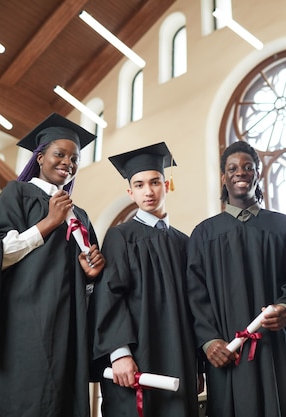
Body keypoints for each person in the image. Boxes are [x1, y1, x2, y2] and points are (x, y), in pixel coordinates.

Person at [0, 113, 105, 417]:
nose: (68, 162)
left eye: (75, 157)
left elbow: (86, 279)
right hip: (22, 324)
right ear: (40, 157)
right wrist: (48, 223)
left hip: (67, 328)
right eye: (59, 154)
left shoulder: (79, 214)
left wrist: (92, 274)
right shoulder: (17, 193)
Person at [186, 141, 286, 417]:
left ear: (257, 174)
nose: (241, 172)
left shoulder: (282, 225)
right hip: (227, 351)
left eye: (248, 167)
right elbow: (194, 295)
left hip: (276, 347)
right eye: (233, 168)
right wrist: (209, 341)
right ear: (224, 177)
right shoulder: (204, 234)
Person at [89, 142, 200, 417]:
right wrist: (119, 353)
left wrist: (197, 366)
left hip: (179, 356)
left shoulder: (184, 243)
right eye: (139, 185)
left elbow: (194, 306)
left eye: (154, 182)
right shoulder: (120, 237)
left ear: (167, 185)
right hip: (138, 357)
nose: (148, 191)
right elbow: (109, 296)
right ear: (130, 192)